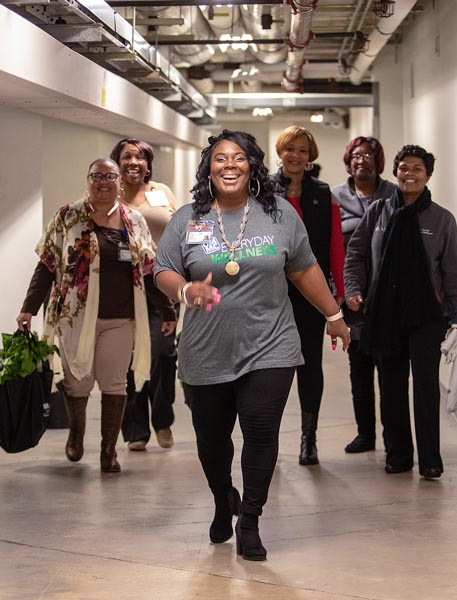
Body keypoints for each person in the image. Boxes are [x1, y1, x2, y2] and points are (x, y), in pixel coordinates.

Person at [154, 130, 349, 561]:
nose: (229, 165)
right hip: (206, 349)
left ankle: (252, 520)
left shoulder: (278, 214)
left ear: (252, 166)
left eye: (238, 158)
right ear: (208, 167)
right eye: (220, 158)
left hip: (271, 345)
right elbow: (162, 269)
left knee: (261, 434)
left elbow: (304, 268)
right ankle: (224, 497)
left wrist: (333, 316)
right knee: (212, 440)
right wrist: (186, 291)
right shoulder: (189, 218)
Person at [16, 158, 176, 473]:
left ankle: (108, 451)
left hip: (121, 317)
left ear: (119, 182)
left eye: (110, 176)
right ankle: (76, 432)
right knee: (78, 382)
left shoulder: (133, 220)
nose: (103, 182)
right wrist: (28, 308)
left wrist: (166, 309)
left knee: (115, 382)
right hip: (74, 316)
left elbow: (148, 269)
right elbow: (47, 265)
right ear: (87, 180)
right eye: (96, 176)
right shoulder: (67, 217)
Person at [344, 145, 457, 479]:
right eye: (403, 168)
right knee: (392, 386)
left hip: (428, 316)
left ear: (428, 175)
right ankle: (398, 455)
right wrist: (354, 289)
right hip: (385, 314)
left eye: (416, 168)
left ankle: (430, 459)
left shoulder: (441, 219)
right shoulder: (379, 211)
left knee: (426, 386)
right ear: (395, 172)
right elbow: (355, 253)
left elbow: (455, 273)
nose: (409, 174)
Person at [269, 126, 344, 466]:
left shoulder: (324, 193)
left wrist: (337, 293)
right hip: (270, 292)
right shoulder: (263, 190)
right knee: (270, 368)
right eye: (290, 149)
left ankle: (308, 438)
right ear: (280, 152)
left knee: (309, 364)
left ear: (310, 155)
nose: (296, 156)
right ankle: (267, 439)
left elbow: (335, 247)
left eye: (302, 150)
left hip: (311, 292)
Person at [110, 138, 179, 452]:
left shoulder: (160, 192)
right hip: (123, 289)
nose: (134, 162)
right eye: (127, 157)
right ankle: (135, 429)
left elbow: (183, 228)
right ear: (118, 162)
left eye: (140, 157)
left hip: (162, 284)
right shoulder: (108, 194)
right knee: (126, 357)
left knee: (162, 353)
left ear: (148, 163)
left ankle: (162, 419)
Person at [332, 136, 397, 454]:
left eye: (369, 155)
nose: (362, 160)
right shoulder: (337, 196)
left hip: (388, 295)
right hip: (352, 292)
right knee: (359, 370)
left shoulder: (394, 194)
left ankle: (392, 437)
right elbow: (332, 248)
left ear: (378, 160)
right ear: (348, 160)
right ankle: (365, 434)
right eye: (356, 155)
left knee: (389, 371)